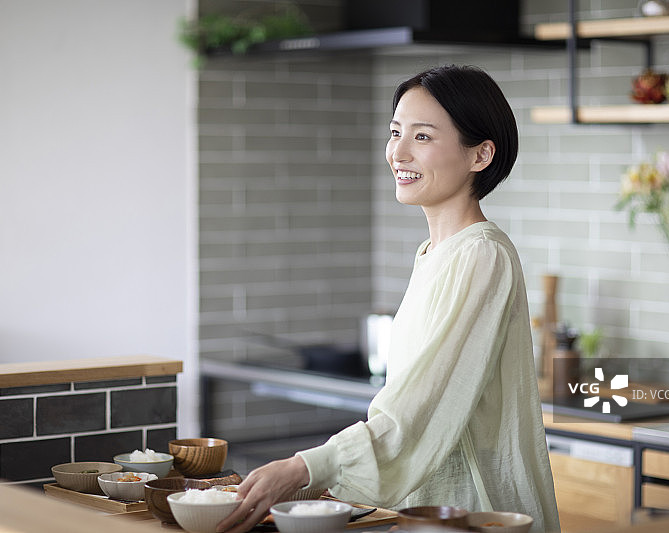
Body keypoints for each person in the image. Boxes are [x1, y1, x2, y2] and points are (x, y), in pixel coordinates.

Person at [217, 64, 560, 533]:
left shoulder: (482, 255)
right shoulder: (434, 253)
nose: (398, 152)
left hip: (475, 512)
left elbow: (421, 407)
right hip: (427, 513)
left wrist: (306, 467)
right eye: (396, 131)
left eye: (422, 137)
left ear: (480, 154)